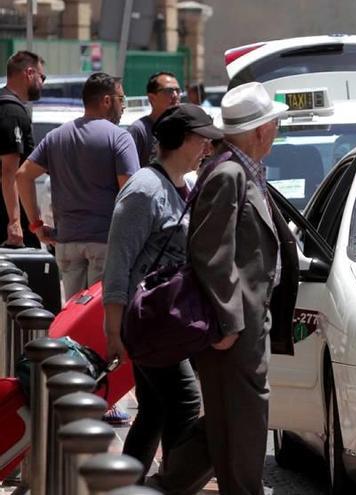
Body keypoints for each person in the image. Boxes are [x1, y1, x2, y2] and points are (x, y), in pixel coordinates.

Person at [149, 81, 299, 495]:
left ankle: (158, 488)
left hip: (244, 324)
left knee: (224, 426)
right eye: (274, 124)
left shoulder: (239, 169)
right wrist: (230, 321)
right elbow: (210, 252)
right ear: (260, 131)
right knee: (244, 429)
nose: (276, 132)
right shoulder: (229, 173)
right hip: (234, 327)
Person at [102, 104, 221, 483]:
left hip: (167, 321)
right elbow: (118, 261)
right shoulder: (144, 190)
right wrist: (113, 327)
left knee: (154, 407)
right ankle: (172, 485)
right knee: (184, 400)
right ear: (184, 140)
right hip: (147, 322)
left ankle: (127, 487)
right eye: (203, 139)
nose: (207, 146)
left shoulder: (183, 185)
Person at [16, 72, 139, 297]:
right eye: (121, 100)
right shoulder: (119, 138)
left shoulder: (56, 136)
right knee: (99, 317)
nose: (123, 108)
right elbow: (131, 193)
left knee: (73, 313)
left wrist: (36, 225)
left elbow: (23, 176)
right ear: (107, 101)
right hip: (106, 242)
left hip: (67, 243)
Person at [0, 51, 45, 248]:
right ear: (29, 73)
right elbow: (9, 171)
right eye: (41, 77)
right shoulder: (12, 111)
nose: (42, 83)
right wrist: (15, 221)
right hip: (9, 221)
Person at [129, 72, 182, 166]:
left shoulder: (182, 128)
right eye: (169, 91)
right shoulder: (139, 130)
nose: (175, 95)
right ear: (152, 98)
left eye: (177, 90)